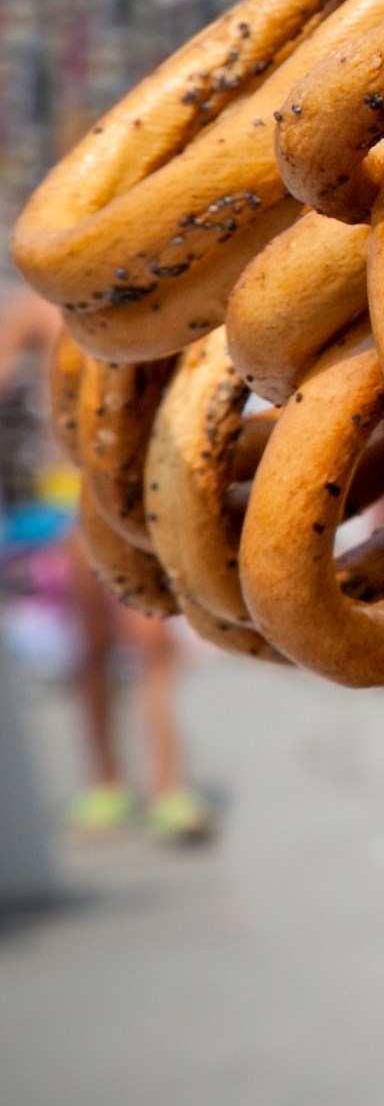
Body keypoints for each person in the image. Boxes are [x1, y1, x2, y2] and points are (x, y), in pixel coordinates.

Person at [0, 284, 209, 843]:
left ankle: (168, 785)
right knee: (89, 645)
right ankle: (107, 781)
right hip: (68, 496)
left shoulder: (148, 298)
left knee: (151, 647)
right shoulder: (38, 311)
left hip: (134, 487)